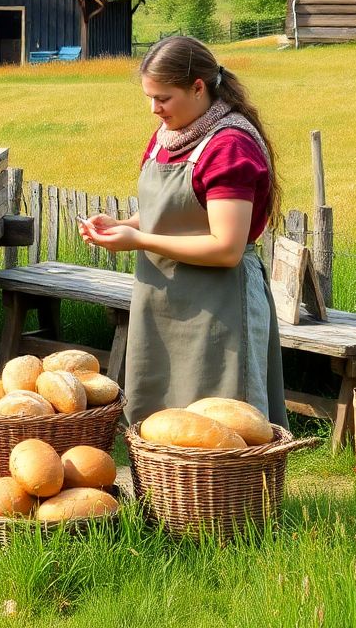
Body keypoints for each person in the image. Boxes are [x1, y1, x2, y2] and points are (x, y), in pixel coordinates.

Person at [80, 35, 288, 426]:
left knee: (221, 419)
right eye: (149, 97)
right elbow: (171, 212)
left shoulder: (229, 146)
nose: (154, 109)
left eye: (163, 98)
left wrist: (137, 240)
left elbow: (227, 247)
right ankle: (160, 489)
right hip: (162, 301)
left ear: (198, 88)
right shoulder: (167, 137)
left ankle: (227, 491)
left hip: (218, 308)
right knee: (160, 416)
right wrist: (122, 225)